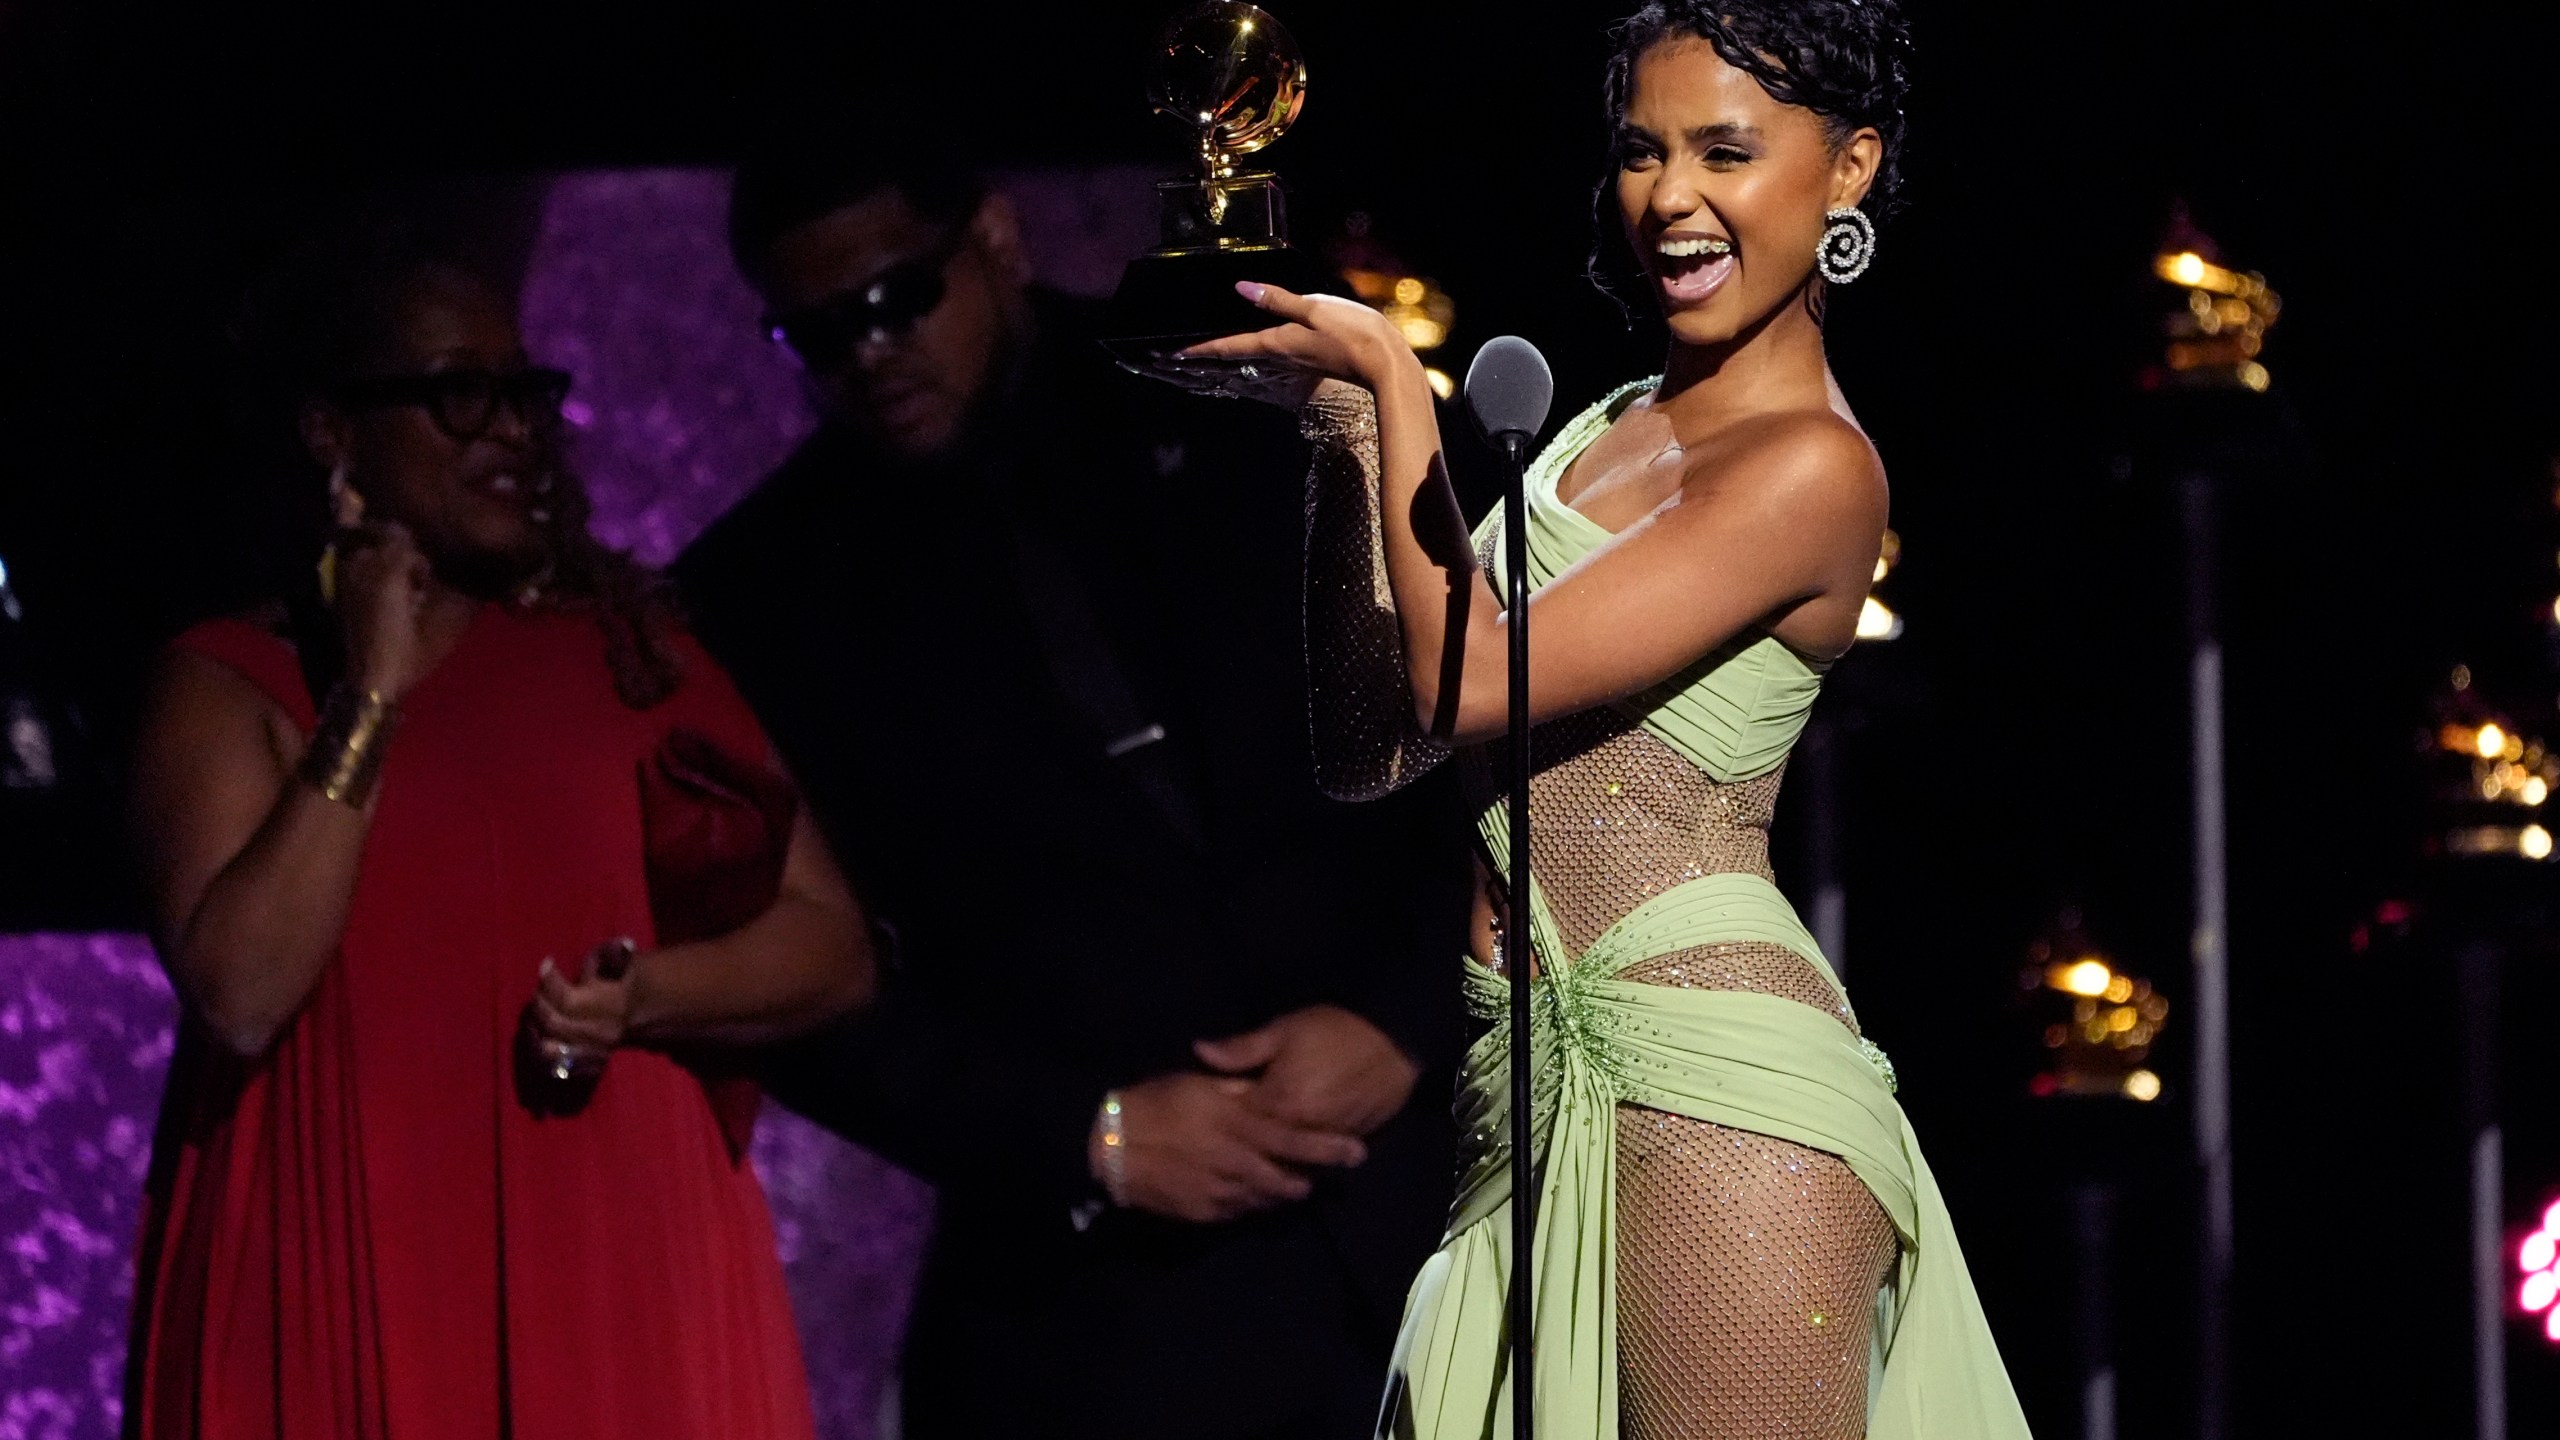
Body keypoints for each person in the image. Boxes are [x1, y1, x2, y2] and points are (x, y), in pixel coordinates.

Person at [1170, 2, 2035, 1436]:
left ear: (1850, 169)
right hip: (1526, 1087)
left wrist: (1392, 383)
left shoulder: (1813, 469)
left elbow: (1470, 686)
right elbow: (1378, 737)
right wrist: (1334, 425)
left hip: (1712, 1095)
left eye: (1726, 152)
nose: (1672, 199)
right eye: (1643, 151)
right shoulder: (1604, 426)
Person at [671, 143, 1473, 1439]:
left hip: (1435, 1231)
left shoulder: (1257, 398)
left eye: (892, 301)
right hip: (1091, 1326)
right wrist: (1089, 1138)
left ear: (992, 237)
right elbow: (776, 979)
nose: (866, 354)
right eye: (811, 334)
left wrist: (1403, 1020)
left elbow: (1509, 741)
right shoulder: (764, 593)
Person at [122, 234, 871, 1440]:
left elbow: (832, 947)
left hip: (611, 1258)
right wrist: (370, 695)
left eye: (524, 393)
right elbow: (244, 988)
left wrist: (644, 999)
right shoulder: (232, 681)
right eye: (461, 393)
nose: (512, 430)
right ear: (333, 433)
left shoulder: (628, 658)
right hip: (344, 1258)